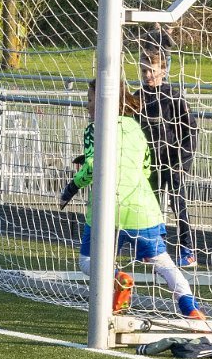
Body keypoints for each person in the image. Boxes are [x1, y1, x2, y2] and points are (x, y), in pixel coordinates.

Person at [58, 79, 204, 320]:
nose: (87, 106)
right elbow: (146, 167)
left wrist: (71, 188)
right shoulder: (136, 128)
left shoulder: (94, 128)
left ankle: (119, 279)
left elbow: (93, 167)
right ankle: (191, 308)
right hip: (143, 208)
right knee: (164, 264)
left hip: (107, 210)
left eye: (90, 100)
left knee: (88, 261)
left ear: (103, 102)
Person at [136, 48, 198, 266]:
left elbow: (191, 130)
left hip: (173, 162)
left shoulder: (174, 97)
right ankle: (154, 250)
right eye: (144, 71)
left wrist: (184, 162)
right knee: (149, 207)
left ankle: (187, 250)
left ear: (163, 70)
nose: (147, 75)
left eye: (151, 70)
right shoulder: (138, 97)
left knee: (178, 204)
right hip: (149, 164)